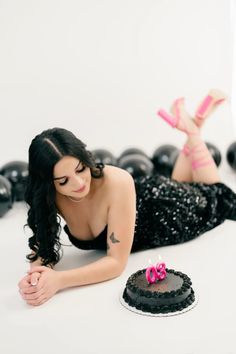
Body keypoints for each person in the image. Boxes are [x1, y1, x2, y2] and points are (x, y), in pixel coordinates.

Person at [18, 89, 236, 306]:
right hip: (144, 196)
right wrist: (37, 275)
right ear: (48, 184)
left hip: (171, 210)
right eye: (63, 181)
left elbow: (116, 262)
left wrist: (59, 280)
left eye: (81, 168)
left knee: (216, 195)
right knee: (187, 183)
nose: (79, 183)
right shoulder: (48, 197)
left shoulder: (116, 181)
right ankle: (191, 125)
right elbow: (41, 247)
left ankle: (192, 131)